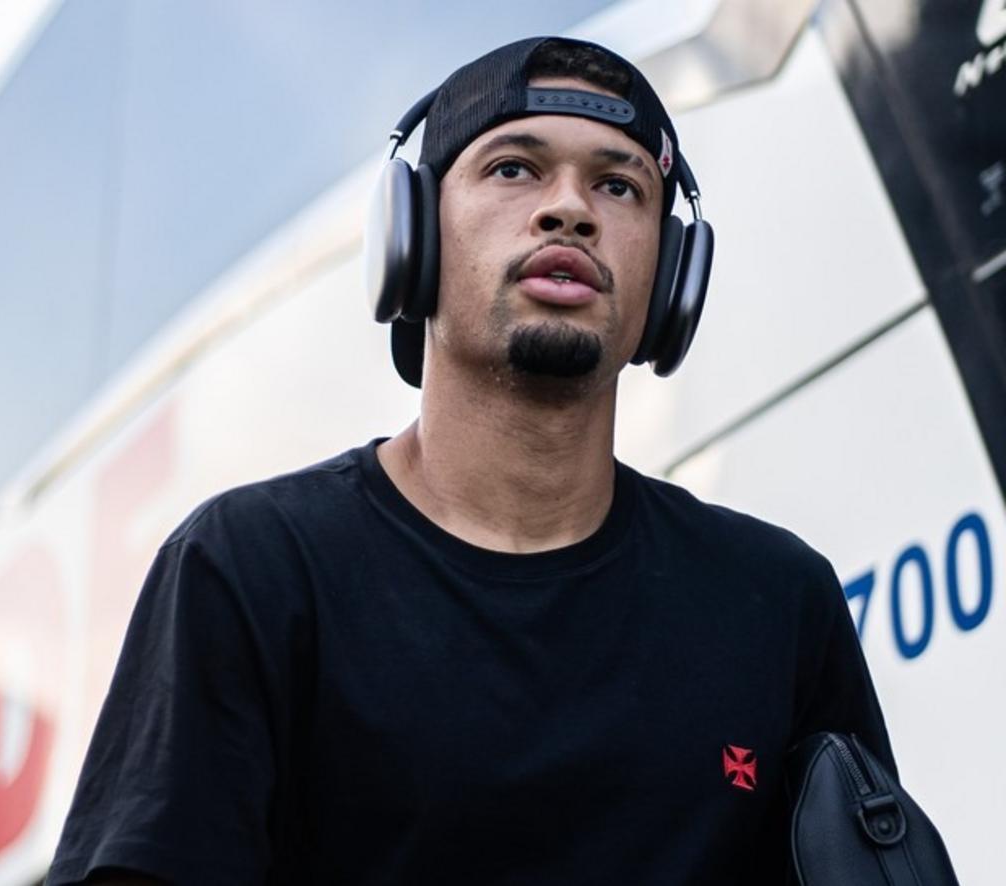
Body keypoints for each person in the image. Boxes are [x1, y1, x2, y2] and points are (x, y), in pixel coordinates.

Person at [47, 36, 894, 885]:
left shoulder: (780, 601)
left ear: (672, 279)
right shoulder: (251, 568)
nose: (570, 210)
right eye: (514, 169)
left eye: (619, 184)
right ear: (411, 238)